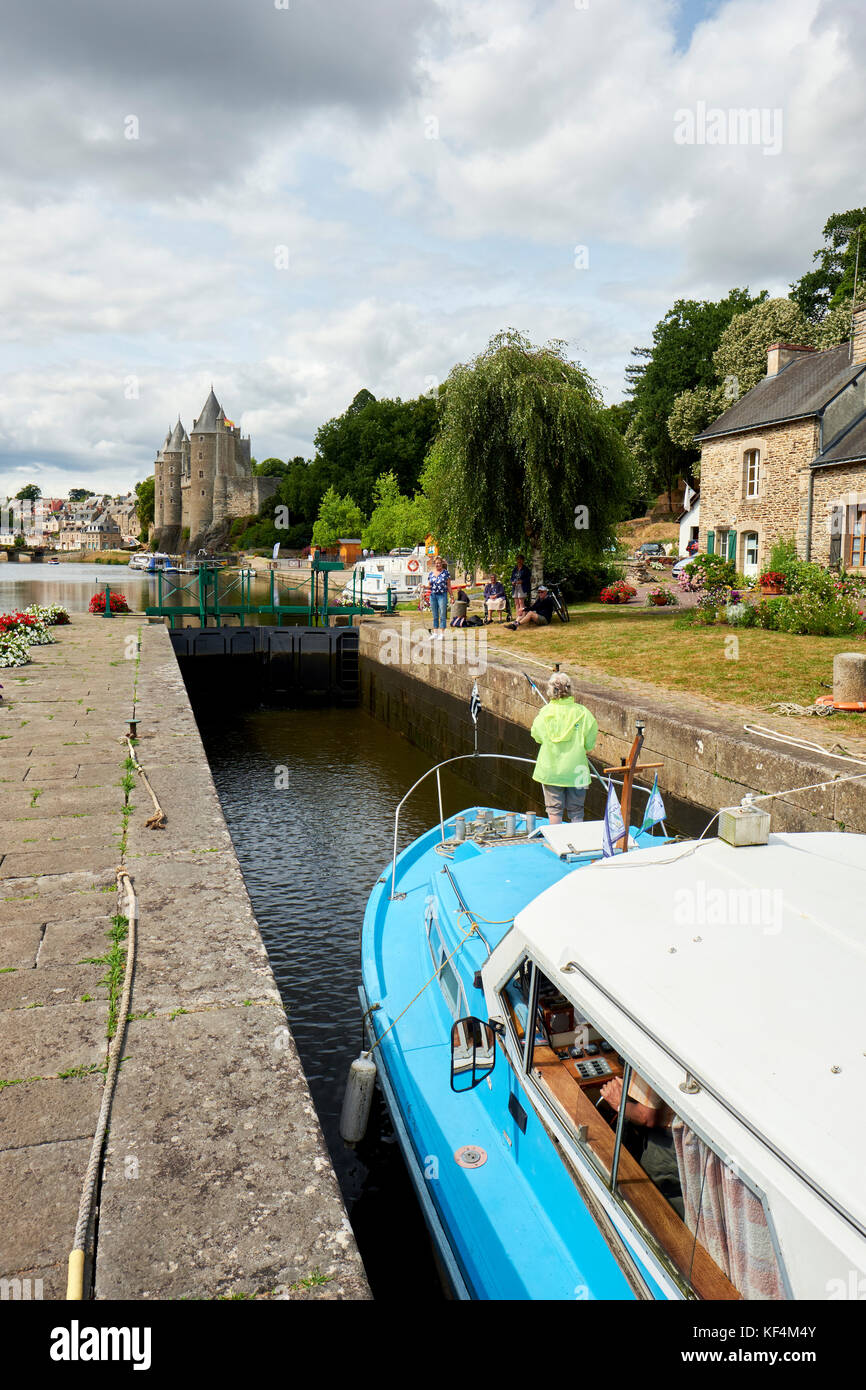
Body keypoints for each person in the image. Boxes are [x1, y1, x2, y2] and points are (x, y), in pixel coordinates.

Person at [529, 671, 597, 824]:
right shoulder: (584, 713)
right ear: (570, 689)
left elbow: (536, 736)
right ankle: (577, 842)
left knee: (554, 809)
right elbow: (590, 743)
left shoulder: (545, 713)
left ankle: (556, 844)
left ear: (551, 691)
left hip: (551, 769)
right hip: (577, 770)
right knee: (577, 809)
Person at [427, 555, 450, 638]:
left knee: (442, 614)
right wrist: (424, 587)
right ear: (434, 564)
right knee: (435, 614)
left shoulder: (446, 573)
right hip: (433, 595)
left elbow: (449, 586)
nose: (438, 565)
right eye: (436, 563)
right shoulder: (431, 574)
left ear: (442, 564)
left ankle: (442, 633)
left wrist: (451, 596)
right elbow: (429, 586)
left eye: (439, 563)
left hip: (442, 595)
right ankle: (435, 633)